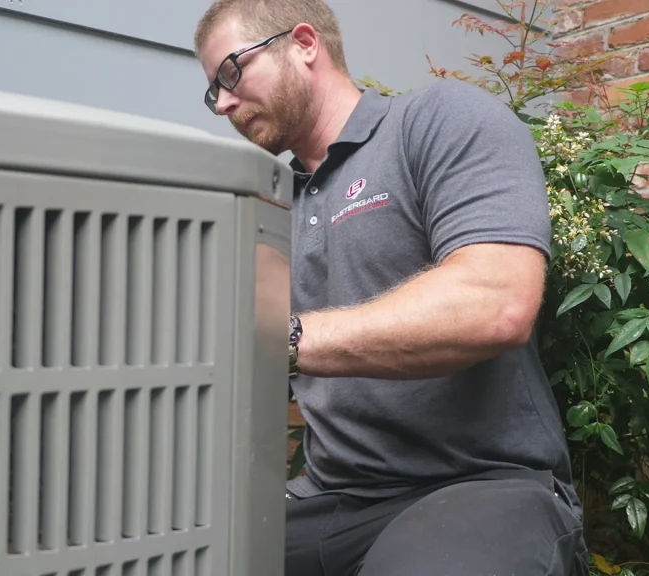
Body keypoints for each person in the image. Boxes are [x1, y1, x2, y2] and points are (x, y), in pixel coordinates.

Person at [192, 1, 590, 575]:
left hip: (481, 486)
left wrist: (286, 338)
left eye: (230, 73)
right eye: (213, 92)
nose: (223, 102)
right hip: (332, 495)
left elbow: (495, 302)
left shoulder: (435, 120)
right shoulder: (272, 202)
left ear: (304, 43)